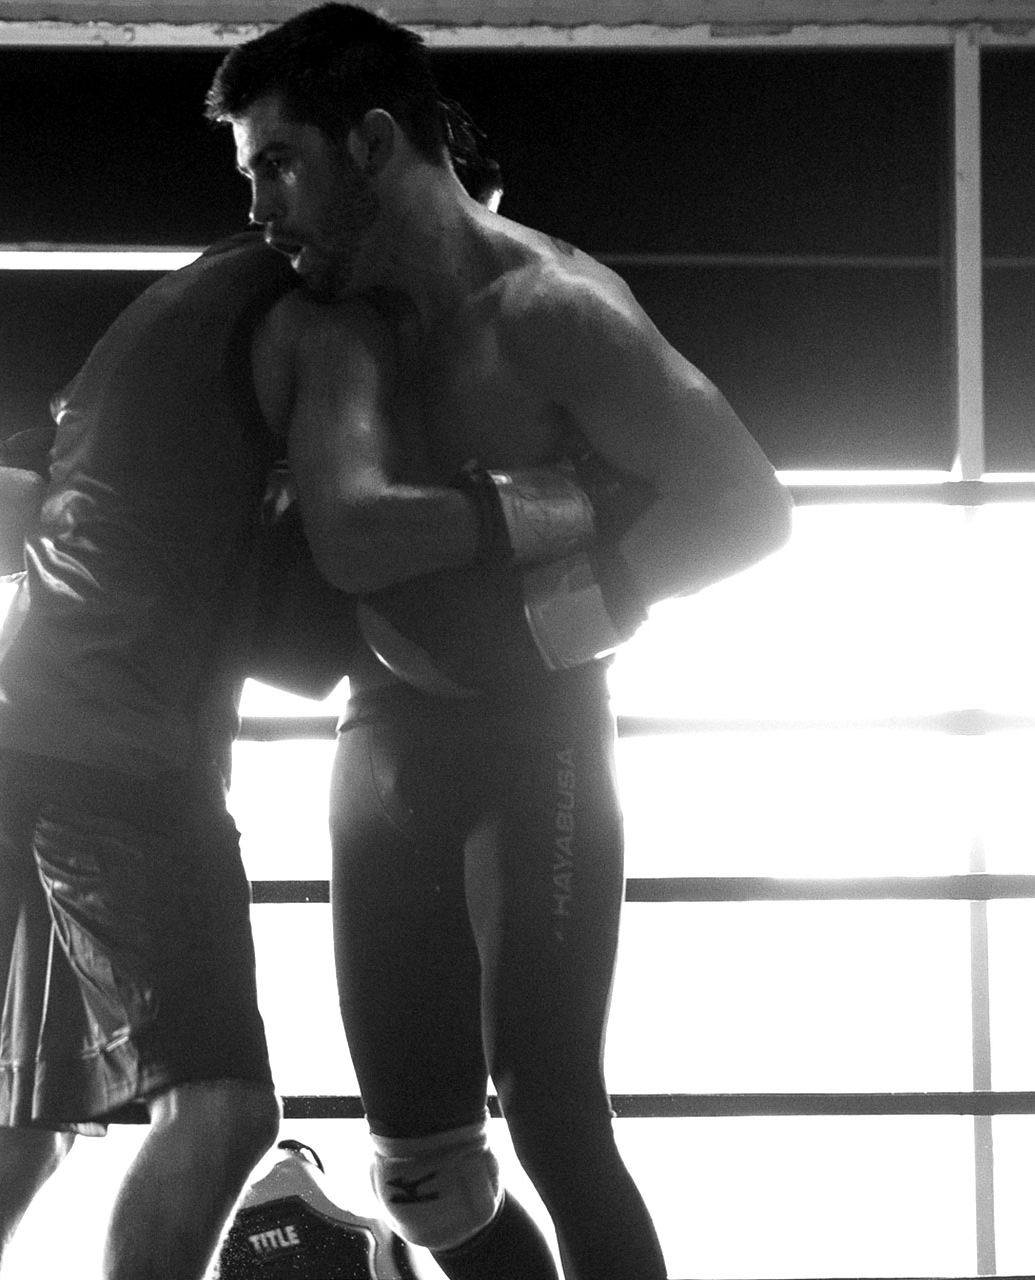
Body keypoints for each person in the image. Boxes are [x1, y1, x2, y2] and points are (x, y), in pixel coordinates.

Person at [205, 8, 796, 1280]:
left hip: (540, 737)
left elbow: (748, 506)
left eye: (278, 165)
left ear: (372, 143)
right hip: (382, 728)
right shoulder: (313, 317)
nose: (257, 207)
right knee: (425, 1179)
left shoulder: (552, 310)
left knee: (557, 1117)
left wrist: (554, 618)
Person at [0, 230, 303, 1280]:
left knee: (19, 1128)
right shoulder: (310, 306)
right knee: (222, 1105)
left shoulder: (167, 322)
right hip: (113, 751)